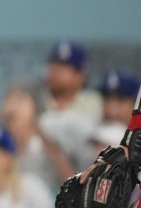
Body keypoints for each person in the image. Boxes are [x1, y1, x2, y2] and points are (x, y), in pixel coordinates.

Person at [38, 40, 103, 170]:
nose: (55, 71)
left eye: (63, 67)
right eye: (53, 65)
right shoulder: (35, 103)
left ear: (80, 75)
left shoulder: (95, 104)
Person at [0, 85, 75, 191]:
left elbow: (70, 182)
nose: (13, 107)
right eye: (9, 100)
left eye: (20, 100)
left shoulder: (45, 144)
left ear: (34, 109)